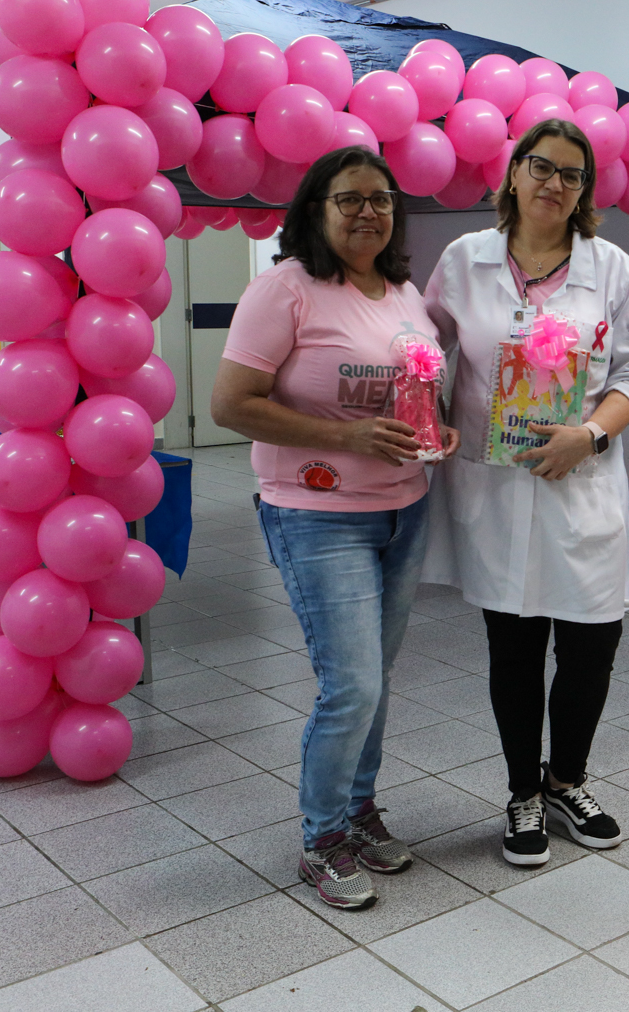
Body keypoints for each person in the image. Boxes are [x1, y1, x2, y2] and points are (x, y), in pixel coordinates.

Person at [211, 145, 458, 911]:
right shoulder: (285, 289)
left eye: (380, 199)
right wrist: (347, 438)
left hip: (404, 507)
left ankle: (357, 811)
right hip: (316, 512)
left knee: (375, 680)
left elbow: (416, 389)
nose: (368, 212)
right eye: (349, 199)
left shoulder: (403, 292)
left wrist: (433, 430)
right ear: (316, 209)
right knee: (348, 684)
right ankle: (321, 839)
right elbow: (229, 404)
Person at [423, 118, 629, 866]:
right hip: (496, 491)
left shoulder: (610, 268)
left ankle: (566, 780)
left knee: (591, 645)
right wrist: (430, 418)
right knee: (512, 648)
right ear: (513, 173)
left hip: (583, 487)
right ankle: (521, 791)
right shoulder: (462, 262)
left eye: (572, 174)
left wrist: (591, 434)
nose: (554, 183)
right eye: (541, 166)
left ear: (584, 192)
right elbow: (419, 352)